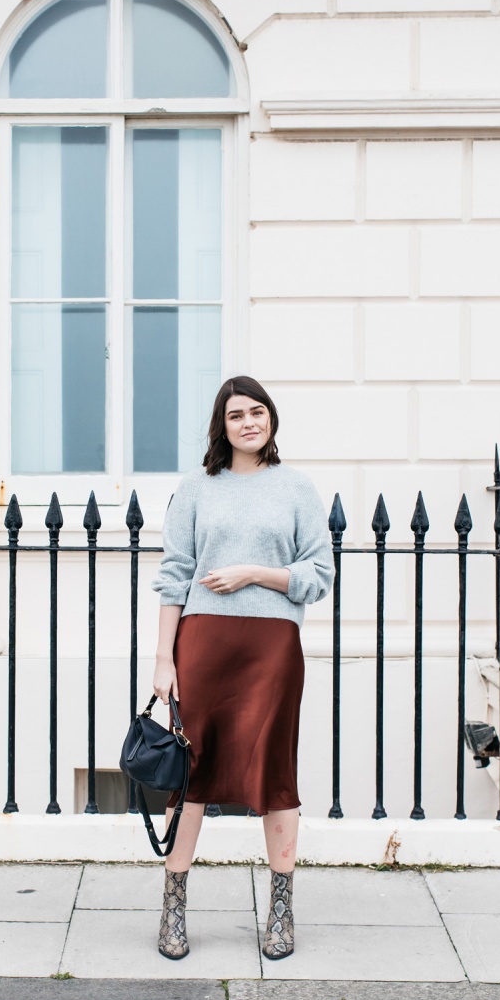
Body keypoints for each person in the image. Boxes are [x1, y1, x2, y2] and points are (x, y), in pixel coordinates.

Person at [151, 375, 333, 961]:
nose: (249, 422)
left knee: (275, 771)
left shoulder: (298, 489)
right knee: (192, 773)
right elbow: (174, 574)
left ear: (271, 420)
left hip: (272, 649)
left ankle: (281, 909)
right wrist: (163, 659)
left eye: (258, 412)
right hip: (203, 646)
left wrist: (256, 572)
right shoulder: (197, 489)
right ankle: (173, 906)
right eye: (237, 415)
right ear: (221, 426)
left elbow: (318, 576)